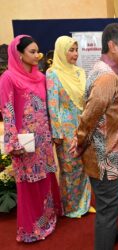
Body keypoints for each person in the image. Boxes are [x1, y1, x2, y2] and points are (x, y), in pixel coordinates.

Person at [69, 23, 118, 250]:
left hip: (108, 154)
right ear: (112, 46)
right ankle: (107, 239)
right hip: (105, 159)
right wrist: (78, 141)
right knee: (107, 210)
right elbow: (89, 117)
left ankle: (113, 233)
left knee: (110, 205)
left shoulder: (102, 70)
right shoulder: (106, 78)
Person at [0, 35, 62, 242]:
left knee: (45, 179)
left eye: (38, 51)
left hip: (43, 140)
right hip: (24, 143)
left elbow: (48, 108)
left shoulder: (41, 77)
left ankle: (47, 219)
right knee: (28, 185)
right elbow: (7, 110)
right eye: (32, 52)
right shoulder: (8, 78)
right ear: (19, 53)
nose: (38, 55)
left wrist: (54, 132)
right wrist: (13, 142)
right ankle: (31, 228)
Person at [46, 36, 95, 218]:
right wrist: (56, 132)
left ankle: (84, 202)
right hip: (65, 128)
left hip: (82, 125)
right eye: (71, 50)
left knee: (84, 165)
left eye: (76, 50)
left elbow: (87, 100)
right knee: (69, 168)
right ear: (61, 51)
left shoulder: (80, 72)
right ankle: (70, 206)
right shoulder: (53, 73)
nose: (75, 54)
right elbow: (53, 104)